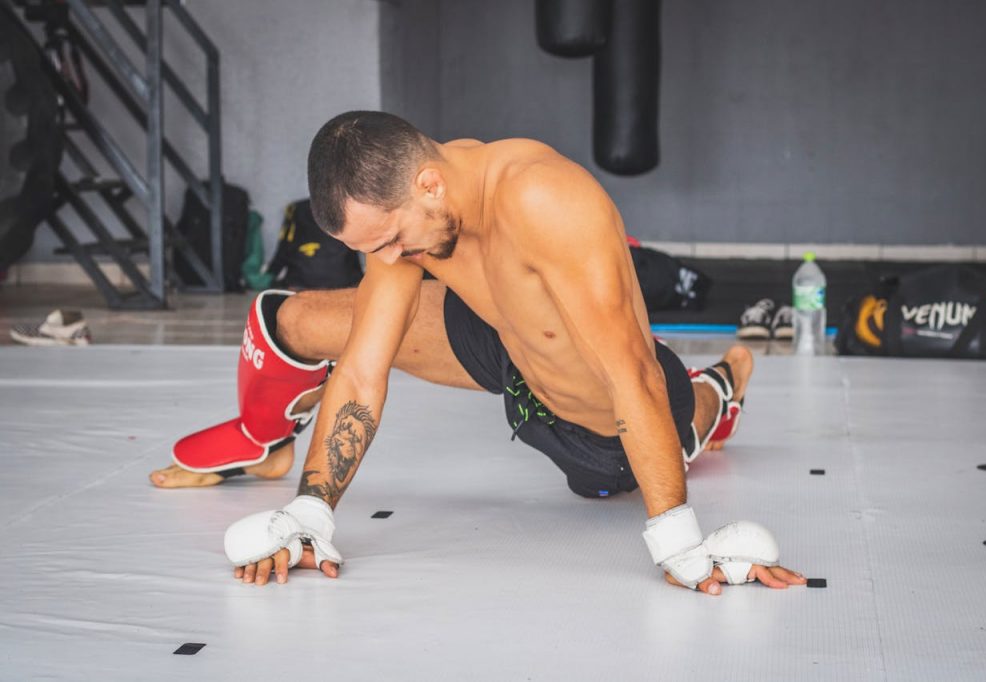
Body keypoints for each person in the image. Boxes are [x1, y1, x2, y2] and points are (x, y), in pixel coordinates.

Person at [153, 111, 805, 595]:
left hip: (587, 412)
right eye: (369, 249)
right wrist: (310, 511)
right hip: (502, 342)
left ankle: (715, 392)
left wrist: (679, 543)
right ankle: (265, 446)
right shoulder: (411, 218)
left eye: (390, 241)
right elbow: (359, 372)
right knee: (303, 316)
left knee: (642, 415)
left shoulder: (545, 197)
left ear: (431, 184)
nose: (385, 262)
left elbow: (629, 374)